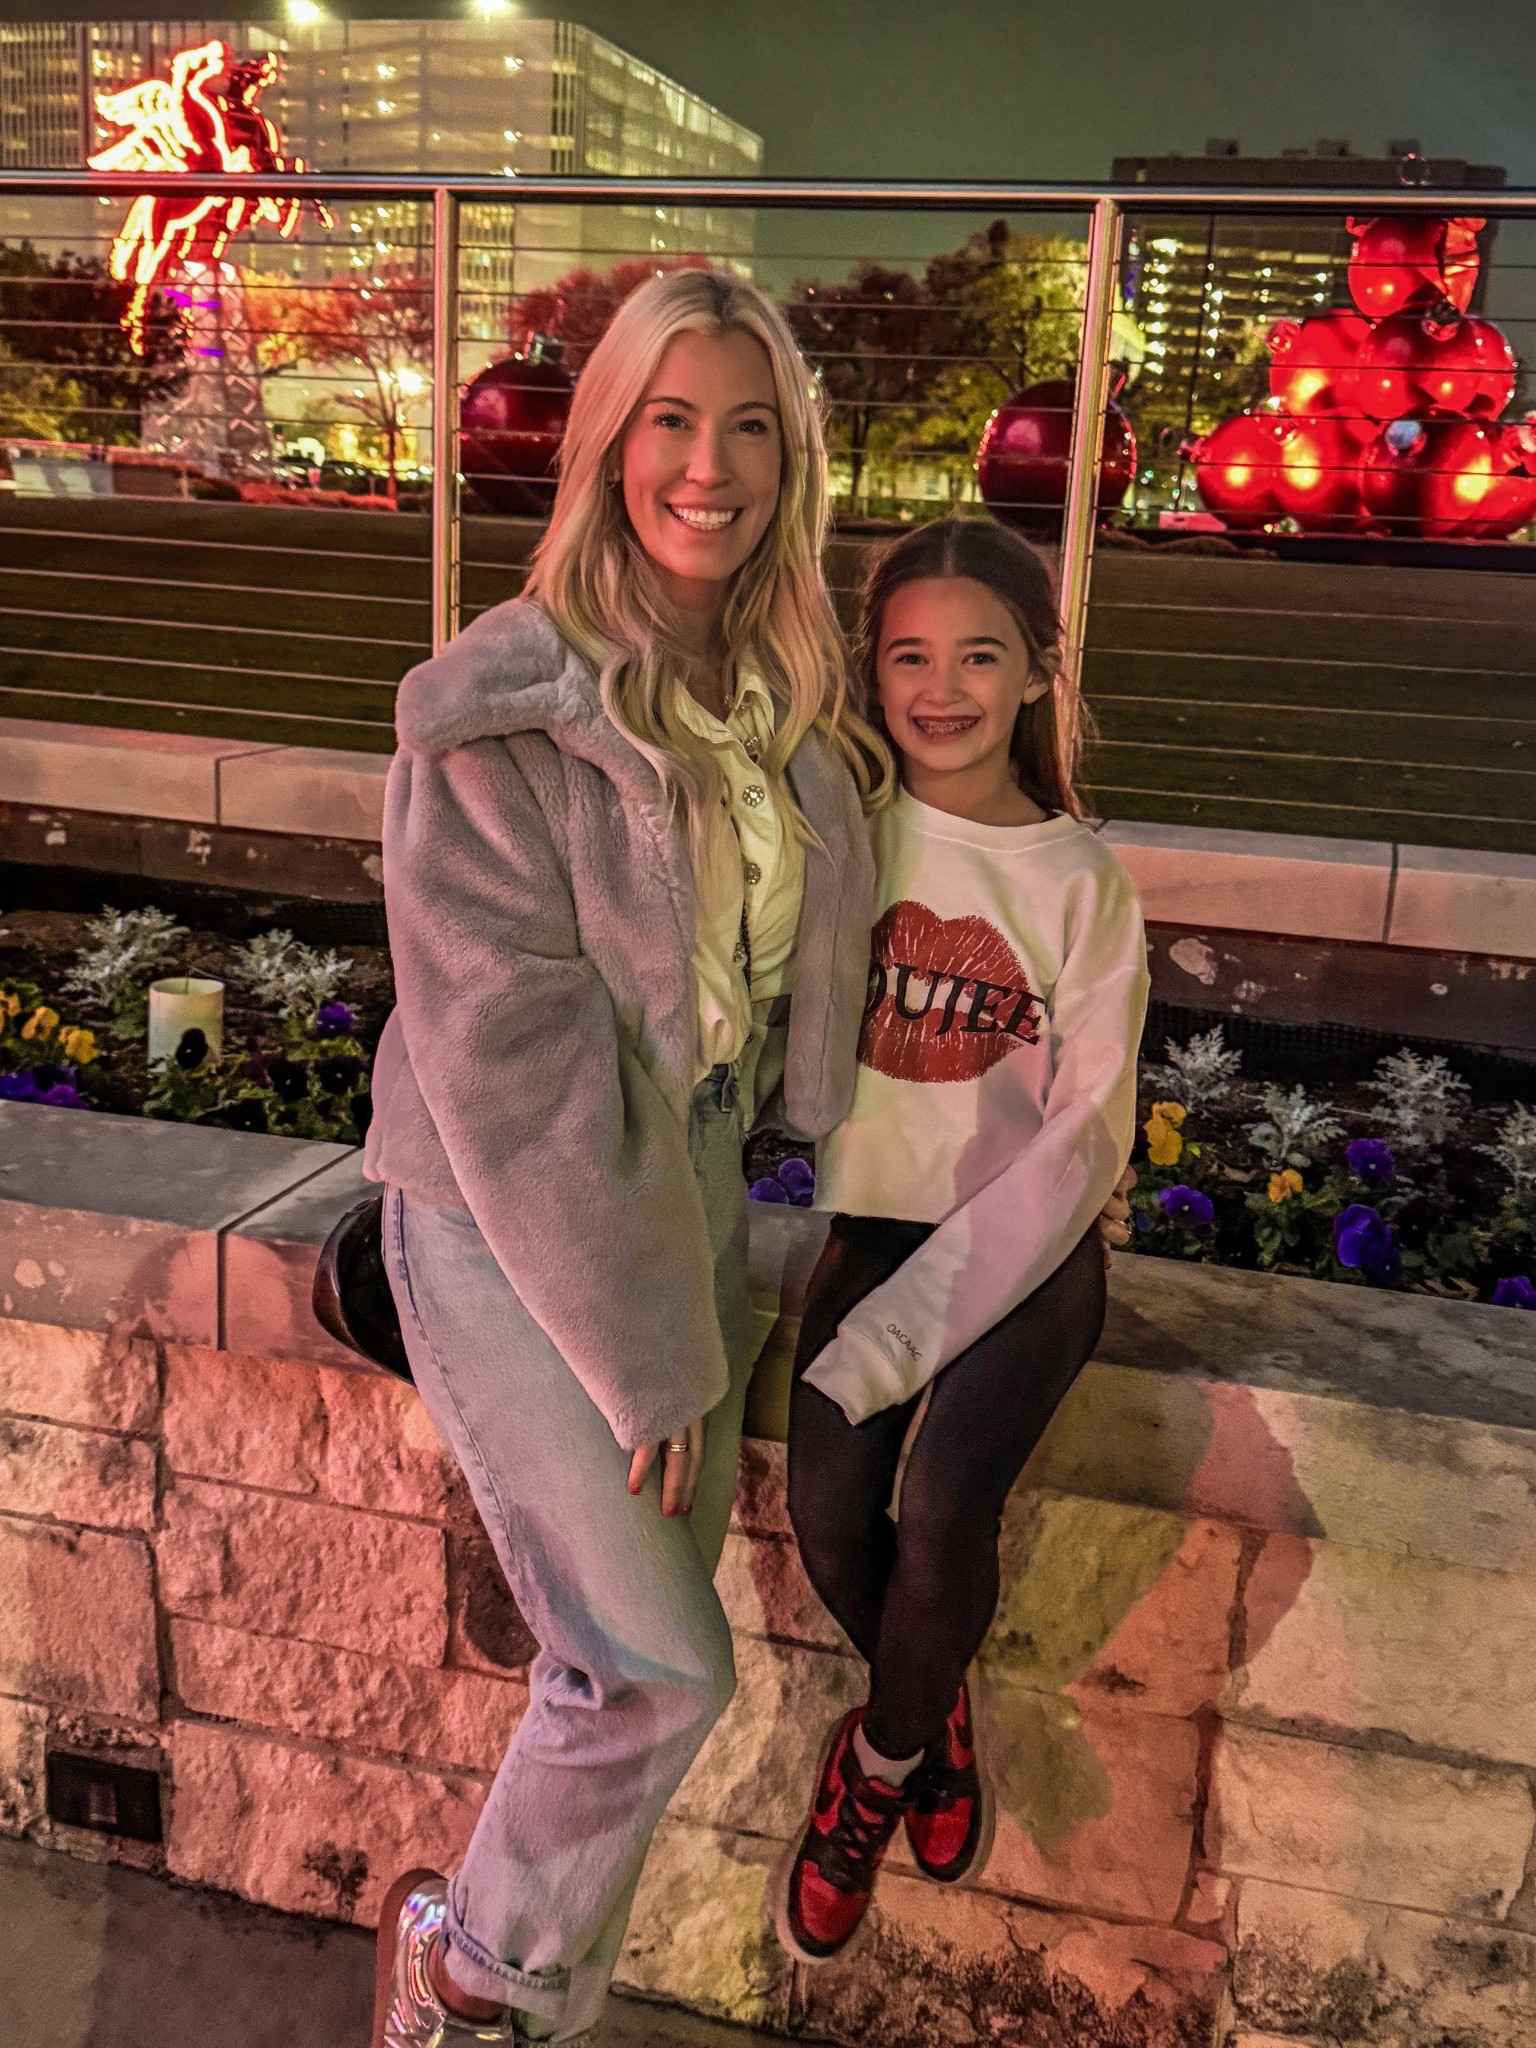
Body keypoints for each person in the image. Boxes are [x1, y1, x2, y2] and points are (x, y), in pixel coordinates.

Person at [362, 268, 889, 2046]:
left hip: (687, 1200)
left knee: (634, 1667)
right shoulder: (501, 710)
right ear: (604, 443)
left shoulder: (781, 699)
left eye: (750, 428)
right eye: (671, 419)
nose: (709, 467)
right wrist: (652, 1344)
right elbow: (511, 1062)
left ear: (792, 462)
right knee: (652, 1670)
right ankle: (462, 1988)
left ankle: (508, 1995)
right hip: (506, 1210)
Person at [777, 517, 1150, 1964]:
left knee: (941, 1511)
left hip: (1033, 1251)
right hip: (877, 1225)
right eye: (910, 657)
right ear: (869, 671)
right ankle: (931, 1706)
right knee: (826, 1515)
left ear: (1039, 672)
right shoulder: (840, 840)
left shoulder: (1081, 882)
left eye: (979, 657)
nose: (943, 690)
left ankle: (874, 1772)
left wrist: (904, 1335)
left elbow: (1084, 1137)